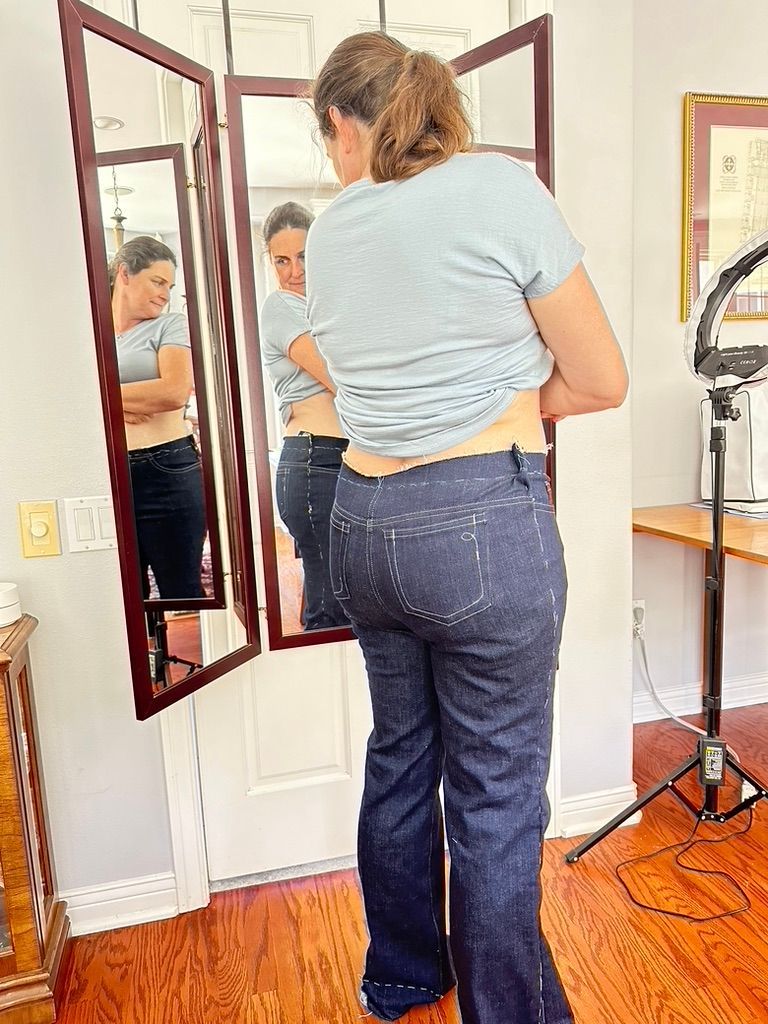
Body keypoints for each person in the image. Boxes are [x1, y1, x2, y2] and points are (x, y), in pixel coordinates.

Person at [305, 33, 628, 1024]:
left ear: (342, 126)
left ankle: (402, 977)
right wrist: (515, 393)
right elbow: (604, 379)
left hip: (361, 520)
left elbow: (367, 380)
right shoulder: (500, 192)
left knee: (400, 754)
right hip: (482, 521)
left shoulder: (329, 228)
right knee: (493, 789)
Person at [259, 202, 349, 630]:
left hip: (339, 460)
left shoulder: (330, 305)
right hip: (317, 464)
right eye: (282, 259)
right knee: (331, 610)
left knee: (338, 598)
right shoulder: (281, 306)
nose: (295, 270)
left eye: (304, 256)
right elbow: (340, 376)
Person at [110, 236, 206, 600]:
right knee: (124, 602)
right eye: (157, 281)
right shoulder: (90, 330)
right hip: (110, 475)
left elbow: (173, 393)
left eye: (169, 286)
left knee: (183, 591)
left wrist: (106, 399)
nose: (165, 294)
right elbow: (66, 397)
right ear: (125, 274)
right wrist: (129, 401)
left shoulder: (170, 325)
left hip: (169, 470)